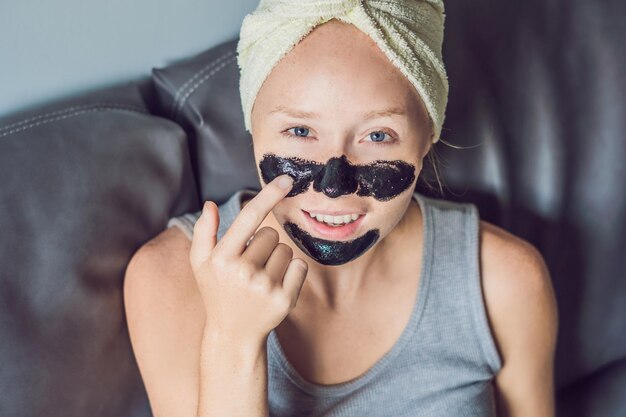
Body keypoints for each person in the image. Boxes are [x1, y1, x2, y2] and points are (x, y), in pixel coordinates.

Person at [123, 4, 558, 417]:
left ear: (428, 136)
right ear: (252, 127)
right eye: (299, 130)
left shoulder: (505, 281)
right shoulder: (169, 279)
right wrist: (233, 340)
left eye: (378, 136)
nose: (334, 187)